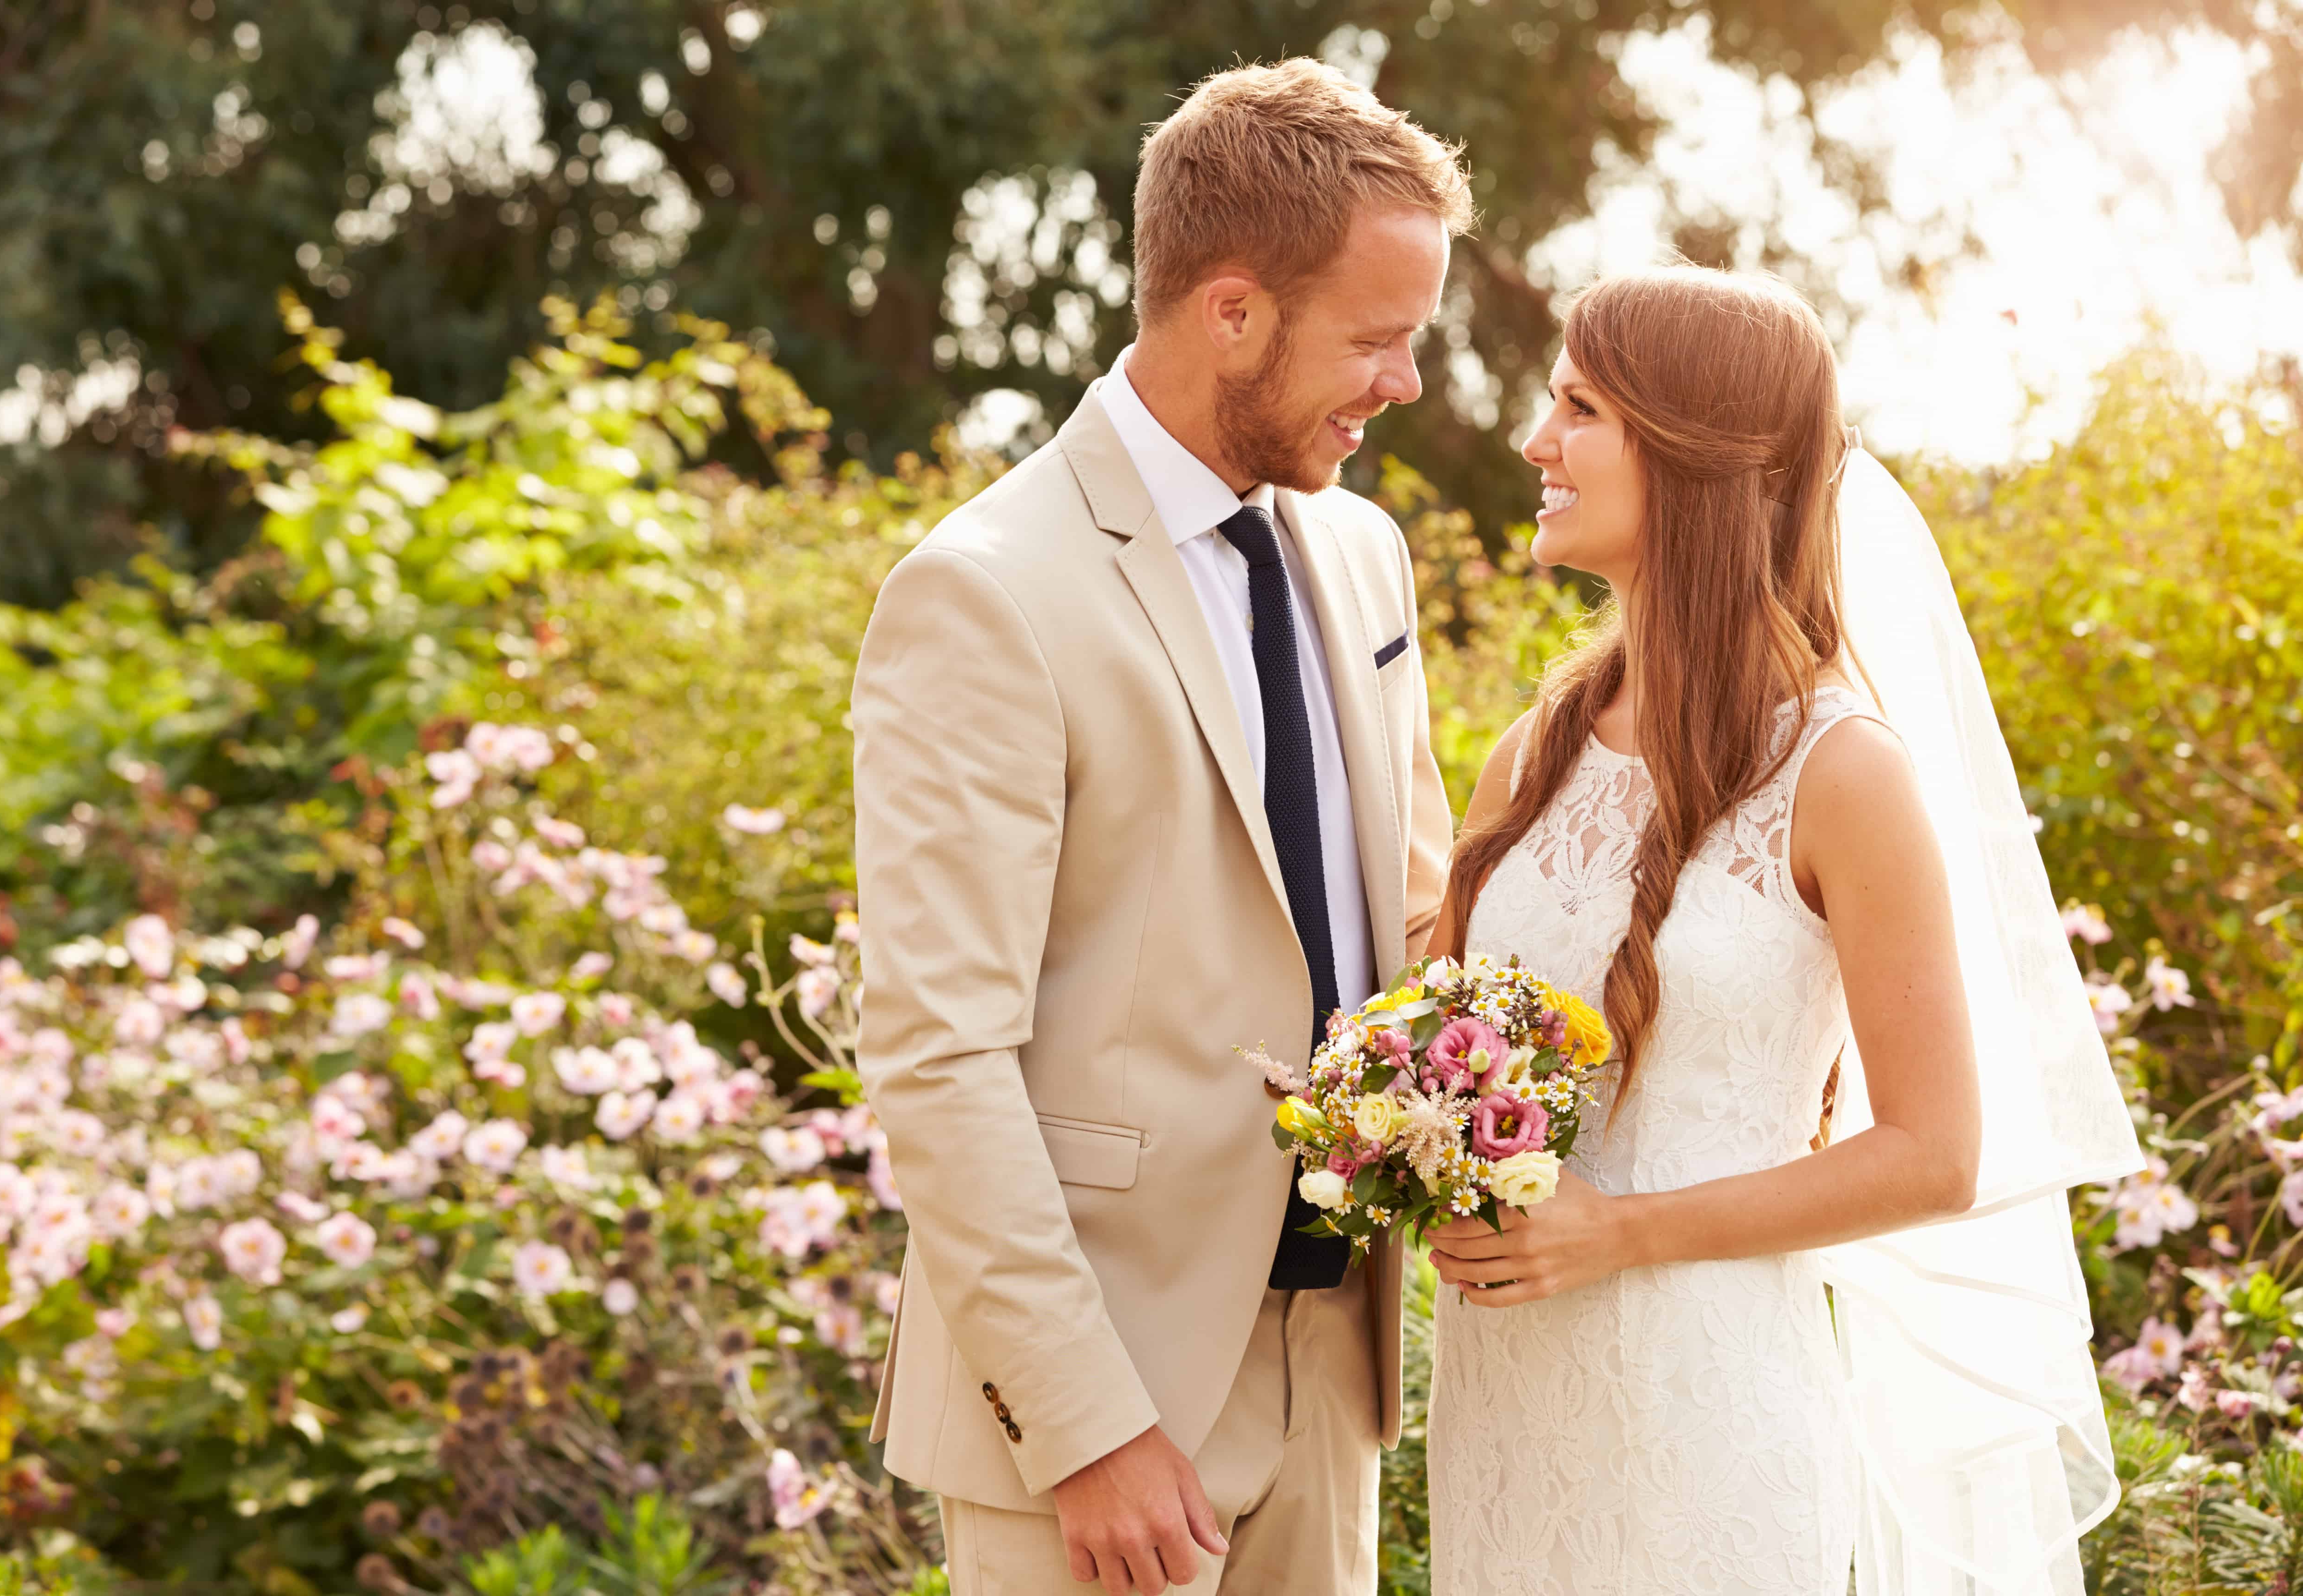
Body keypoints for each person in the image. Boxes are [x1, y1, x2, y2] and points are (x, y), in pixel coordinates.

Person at [851, 58, 1472, 1596]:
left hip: (1333, 1374)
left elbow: (1411, 909)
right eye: (1378, 340)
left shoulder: (1365, 554)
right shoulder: (985, 591)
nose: (1406, 385)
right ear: (1235, 312)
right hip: (1101, 1416)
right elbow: (938, 1052)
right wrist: (1084, 1429)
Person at [1420, 265, 2139, 1594]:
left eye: (1578, 408)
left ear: (1693, 459)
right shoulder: (1535, 753)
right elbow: (1458, 1053)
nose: (1536, 442)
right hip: (1510, 1406)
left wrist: (1621, 1232)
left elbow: (1933, 1154)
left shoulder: (1843, 771)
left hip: (1706, 1407)